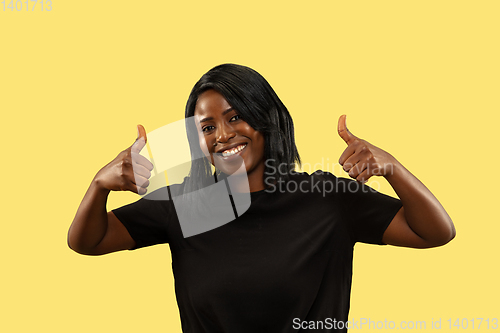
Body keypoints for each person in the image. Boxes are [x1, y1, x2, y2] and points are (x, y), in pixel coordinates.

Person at [68, 64, 455, 332]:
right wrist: (98, 186)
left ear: (267, 119)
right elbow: (88, 241)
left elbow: (435, 232)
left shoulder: (326, 198)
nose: (222, 135)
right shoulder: (185, 205)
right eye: (207, 126)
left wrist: (394, 169)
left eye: (237, 117)